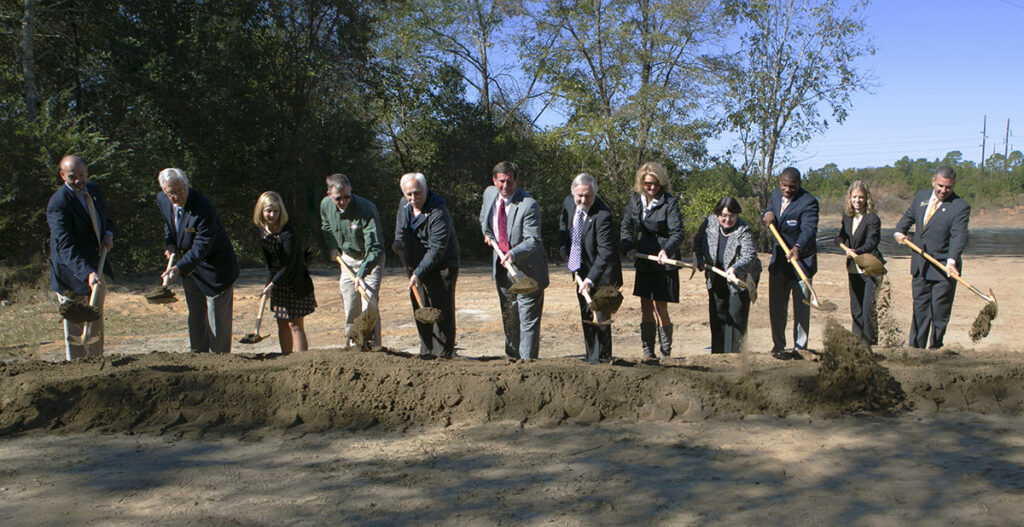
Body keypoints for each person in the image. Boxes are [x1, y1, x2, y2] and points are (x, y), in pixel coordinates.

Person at [157, 168, 239, 355]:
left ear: (188, 185)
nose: (177, 195)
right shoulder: (162, 200)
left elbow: (202, 245)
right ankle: (199, 360)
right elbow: (169, 223)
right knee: (196, 318)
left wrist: (179, 267)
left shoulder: (203, 207)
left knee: (216, 323)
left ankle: (219, 363)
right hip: (190, 270)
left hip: (214, 269)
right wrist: (170, 244)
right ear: (164, 190)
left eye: (181, 190)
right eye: (172, 192)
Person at [479, 161, 549, 362]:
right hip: (502, 271)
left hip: (527, 271)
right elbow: (485, 218)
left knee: (527, 320)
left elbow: (532, 239)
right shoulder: (489, 194)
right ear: (494, 180)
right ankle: (512, 360)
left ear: (516, 181)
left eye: (510, 182)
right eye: (501, 181)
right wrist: (487, 233)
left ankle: (527, 365)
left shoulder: (528, 205)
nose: (505, 186)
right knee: (510, 316)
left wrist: (513, 254)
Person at [894, 165, 970, 349]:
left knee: (939, 313)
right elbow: (907, 218)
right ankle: (916, 350)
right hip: (920, 266)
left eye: (948, 187)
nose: (944, 190)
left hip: (943, 268)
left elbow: (959, 235)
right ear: (933, 181)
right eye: (941, 186)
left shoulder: (960, 206)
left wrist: (951, 261)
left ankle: (935, 349)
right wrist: (899, 231)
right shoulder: (921, 197)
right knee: (919, 310)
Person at [47, 155, 114, 361]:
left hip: (96, 264)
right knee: (75, 323)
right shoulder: (58, 204)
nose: (79, 181)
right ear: (62, 176)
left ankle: (96, 363)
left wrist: (108, 234)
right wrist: (87, 273)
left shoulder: (93, 190)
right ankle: (76, 368)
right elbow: (65, 247)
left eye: (82, 175)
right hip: (71, 272)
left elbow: (106, 217)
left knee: (95, 317)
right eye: (72, 177)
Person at [620, 161, 684, 359]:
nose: (652, 188)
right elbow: (626, 226)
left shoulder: (669, 201)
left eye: (655, 184)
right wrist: (628, 247)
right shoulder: (635, 199)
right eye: (648, 184)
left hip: (663, 261)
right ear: (641, 182)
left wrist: (666, 250)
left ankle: (666, 351)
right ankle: (648, 351)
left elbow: (678, 232)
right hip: (644, 258)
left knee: (659, 306)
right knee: (645, 306)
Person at [393, 172, 460, 359]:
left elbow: (437, 249)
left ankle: (443, 355)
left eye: (417, 193)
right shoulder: (404, 205)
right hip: (415, 264)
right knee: (421, 309)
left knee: (440, 311)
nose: (413, 198)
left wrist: (418, 273)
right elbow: (400, 226)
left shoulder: (438, 212)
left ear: (425, 189)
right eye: (409, 194)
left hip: (442, 265)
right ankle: (427, 353)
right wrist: (398, 241)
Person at [558, 173, 622, 364]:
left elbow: (605, 254)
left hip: (602, 274)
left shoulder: (603, 215)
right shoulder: (569, 203)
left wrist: (590, 279)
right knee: (586, 314)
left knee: (600, 317)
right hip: (580, 268)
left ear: (594, 193)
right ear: (573, 193)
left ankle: (603, 360)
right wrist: (563, 246)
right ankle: (590, 357)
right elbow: (563, 223)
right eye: (580, 196)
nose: (583, 200)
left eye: (588, 196)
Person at [320, 173, 385, 348]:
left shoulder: (366, 209)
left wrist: (362, 273)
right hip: (347, 259)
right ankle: (352, 348)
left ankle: (373, 348)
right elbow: (326, 226)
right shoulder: (326, 205)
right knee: (350, 306)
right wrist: (332, 247)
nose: (343, 201)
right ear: (329, 195)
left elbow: (375, 247)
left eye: (347, 197)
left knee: (369, 305)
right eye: (338, 198)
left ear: (351, 191)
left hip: (370, 260)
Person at [761, 166, 819, 360]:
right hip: (779, 262)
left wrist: (798, 247)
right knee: (777, 308)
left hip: (801, 262)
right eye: (784, 186)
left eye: (792, 187)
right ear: (780, 183)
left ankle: (800, 348)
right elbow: (771, 211)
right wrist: (767, 215)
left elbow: (809, 230)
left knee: (801, 309)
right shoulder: (775, 194)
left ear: (799, 185)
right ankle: (778, 345)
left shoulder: (808, 202)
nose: (787, 190)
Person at [693, 197, 760, 354]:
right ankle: (718, 355)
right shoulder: (710, 223)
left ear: (737, 215)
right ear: (718, 214)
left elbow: (749, 256)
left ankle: (737, 357)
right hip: (716, 275)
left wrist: (735, 269)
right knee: (718, 315)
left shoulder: (743, 229)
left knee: (736, 317)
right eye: (724, 215)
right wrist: (700, 258)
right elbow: (697, 241)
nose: (727, 219)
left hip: (740, 278)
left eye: (732, 216)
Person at [255, 191, 316, 353]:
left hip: (295, 283)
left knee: (295, 324)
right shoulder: (263, 231)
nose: (272, 215)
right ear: (261, 211)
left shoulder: (288, 233)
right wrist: (267, 285)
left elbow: (287, 265)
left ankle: (301, 361)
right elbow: (269, 263)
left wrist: (272, 284)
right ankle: (286, 358)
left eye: (276, 211)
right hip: (278, 283)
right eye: (268, 211)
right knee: (281, 322)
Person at [835, 181, 885, 347]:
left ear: (867, 198)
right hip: (853, 269)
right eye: (854, 197)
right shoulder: (847, 216)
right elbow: (844, 234)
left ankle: (869, 343)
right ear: (849, 198)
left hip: (871, 268)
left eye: (861, 197)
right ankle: (856, 342)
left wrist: (853, 250)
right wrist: (840, 239)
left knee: (867, 309)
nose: (858, 200)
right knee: (855, 308)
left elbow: (872, 242)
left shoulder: (873, 219)